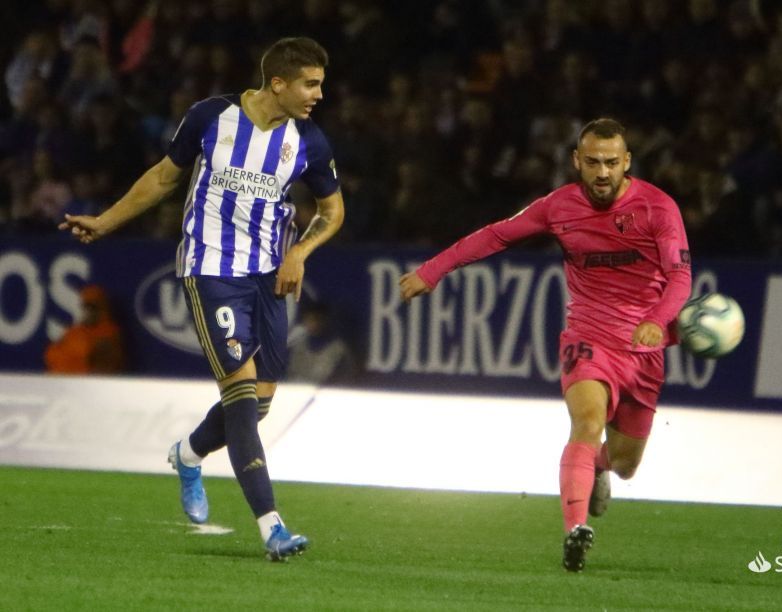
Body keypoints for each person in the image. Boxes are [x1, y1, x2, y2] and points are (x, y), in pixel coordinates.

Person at [60, 37, 345, 561]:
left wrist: (300, 252)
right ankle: (272, 527)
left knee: (258, 402)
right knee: (239, 396)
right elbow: (164, 179)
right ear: (277, 83)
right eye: (311, 83)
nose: (318, 95)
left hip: (267, 278)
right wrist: (104, 222)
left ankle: (188, 454)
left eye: (320, 84)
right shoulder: (211, 117)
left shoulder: (309, 141)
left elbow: (333, 211)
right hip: (210, 268)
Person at [399, 118, 691, 572]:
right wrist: (434, 269)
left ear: (627, 162)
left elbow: (680, 277)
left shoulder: (658, 208)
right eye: (592, 162)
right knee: (587, 420)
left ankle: (597, 467)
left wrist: (656, 320)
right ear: (576, 160)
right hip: (588, 338)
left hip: (643, 350)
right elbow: (496, 234)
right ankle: (575, 530)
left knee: (627, 464)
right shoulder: (560, 206)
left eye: (611, 163)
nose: (601, 172)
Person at [44, 284, 125, 374]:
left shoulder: (109, 333)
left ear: (103, 309)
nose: (88, 311)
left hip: (85, 383)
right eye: (86, 307)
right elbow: (51, 353)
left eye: (93, 307)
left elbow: (103, 368)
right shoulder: (75, 330)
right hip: (58, 380)